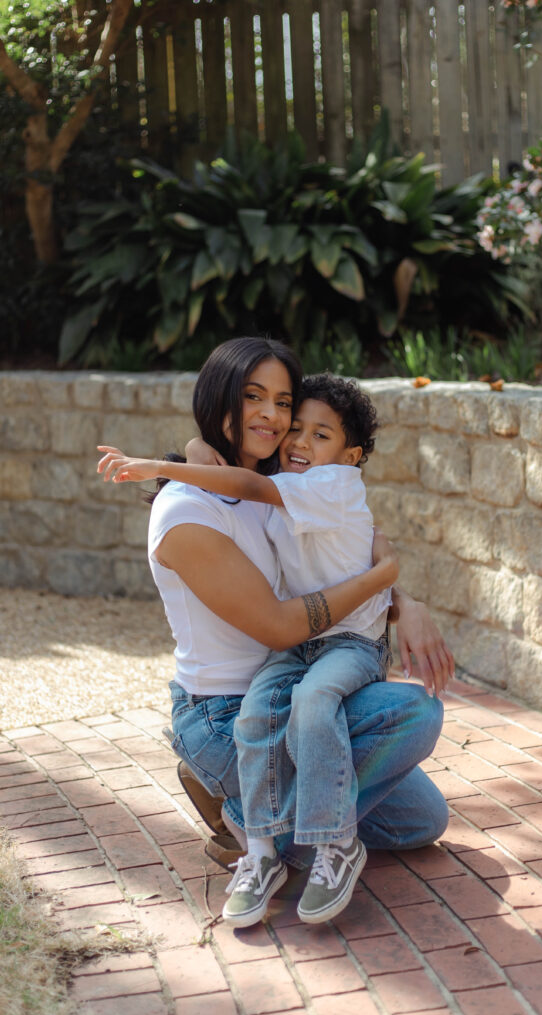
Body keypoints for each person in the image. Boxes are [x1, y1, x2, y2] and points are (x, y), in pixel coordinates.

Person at [97, 336, 453, 926]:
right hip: (229, 714)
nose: (272, 415)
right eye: (252, 397)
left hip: (292, 683)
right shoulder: (186, 511)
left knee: (423, 820)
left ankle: (256, 817)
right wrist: (383, 578)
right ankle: (266, 831)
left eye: (283, 402)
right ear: (219, 398)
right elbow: (285, 624)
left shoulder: (276, 478)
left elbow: (339, 553)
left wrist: (403, 601)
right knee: (413, 715)